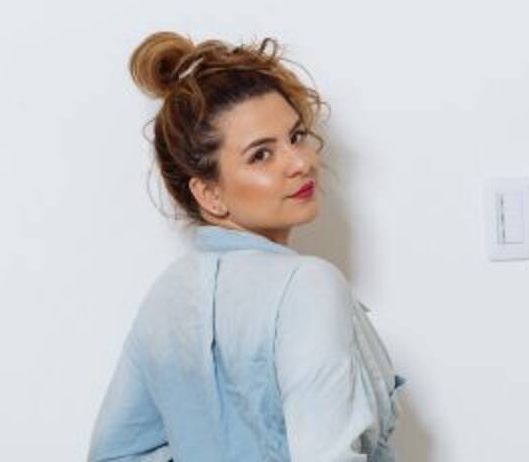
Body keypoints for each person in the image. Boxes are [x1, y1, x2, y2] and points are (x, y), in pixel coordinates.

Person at [87, 31, 407, 462]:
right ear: (209, 194)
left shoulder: (168, 295)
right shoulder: (308, 284)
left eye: (296, 136)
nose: (301, 162)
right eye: (261, 155)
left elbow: (114, 455)